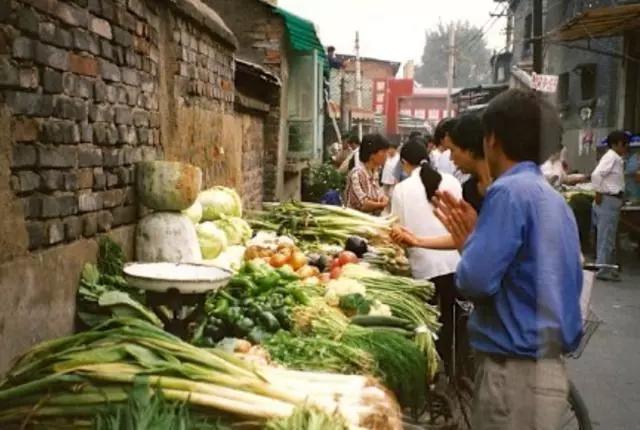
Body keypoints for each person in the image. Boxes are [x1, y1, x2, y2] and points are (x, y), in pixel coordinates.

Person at [434, 89, 583, 430]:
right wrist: (474, 241)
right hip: (546, 369)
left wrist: (469, 246)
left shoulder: (508, 192)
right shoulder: (552, 198)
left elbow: (474, 281)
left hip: (514, 374)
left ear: (492, 140)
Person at [390, 137, 461, 377]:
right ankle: (454, 369)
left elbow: (396, 228)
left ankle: (430, 372)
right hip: (453, 261)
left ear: (404, 163)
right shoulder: (451, 181)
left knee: (426, 322)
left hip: (422, 266)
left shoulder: (401, 189)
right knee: (451, 319)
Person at [391, 114, 489, 249]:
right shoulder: (469, 189)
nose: (450, 159)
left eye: (452, 150)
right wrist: (417, 241)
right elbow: (463, 238)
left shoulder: (504, 189)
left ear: (470, 150)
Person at [591, 130, 630, 281]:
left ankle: (609, 267)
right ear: (616, 144)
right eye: (624, 144)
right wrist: (599, 192)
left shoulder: (616, 158)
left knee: (609, 235)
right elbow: (597, 174)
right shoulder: (611, 157)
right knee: (606, 236)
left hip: (613, 199)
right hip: (608, 199)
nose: (626, 147)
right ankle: (603, 270)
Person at [344, 134, 389, 214]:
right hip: (356, 223)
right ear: (372, 154)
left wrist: (382, 198)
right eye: (383, 152)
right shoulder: (357, 174)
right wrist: (381, 205)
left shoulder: (374, 172)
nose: (386, 156)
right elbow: (363, 204)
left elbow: (376, 195)